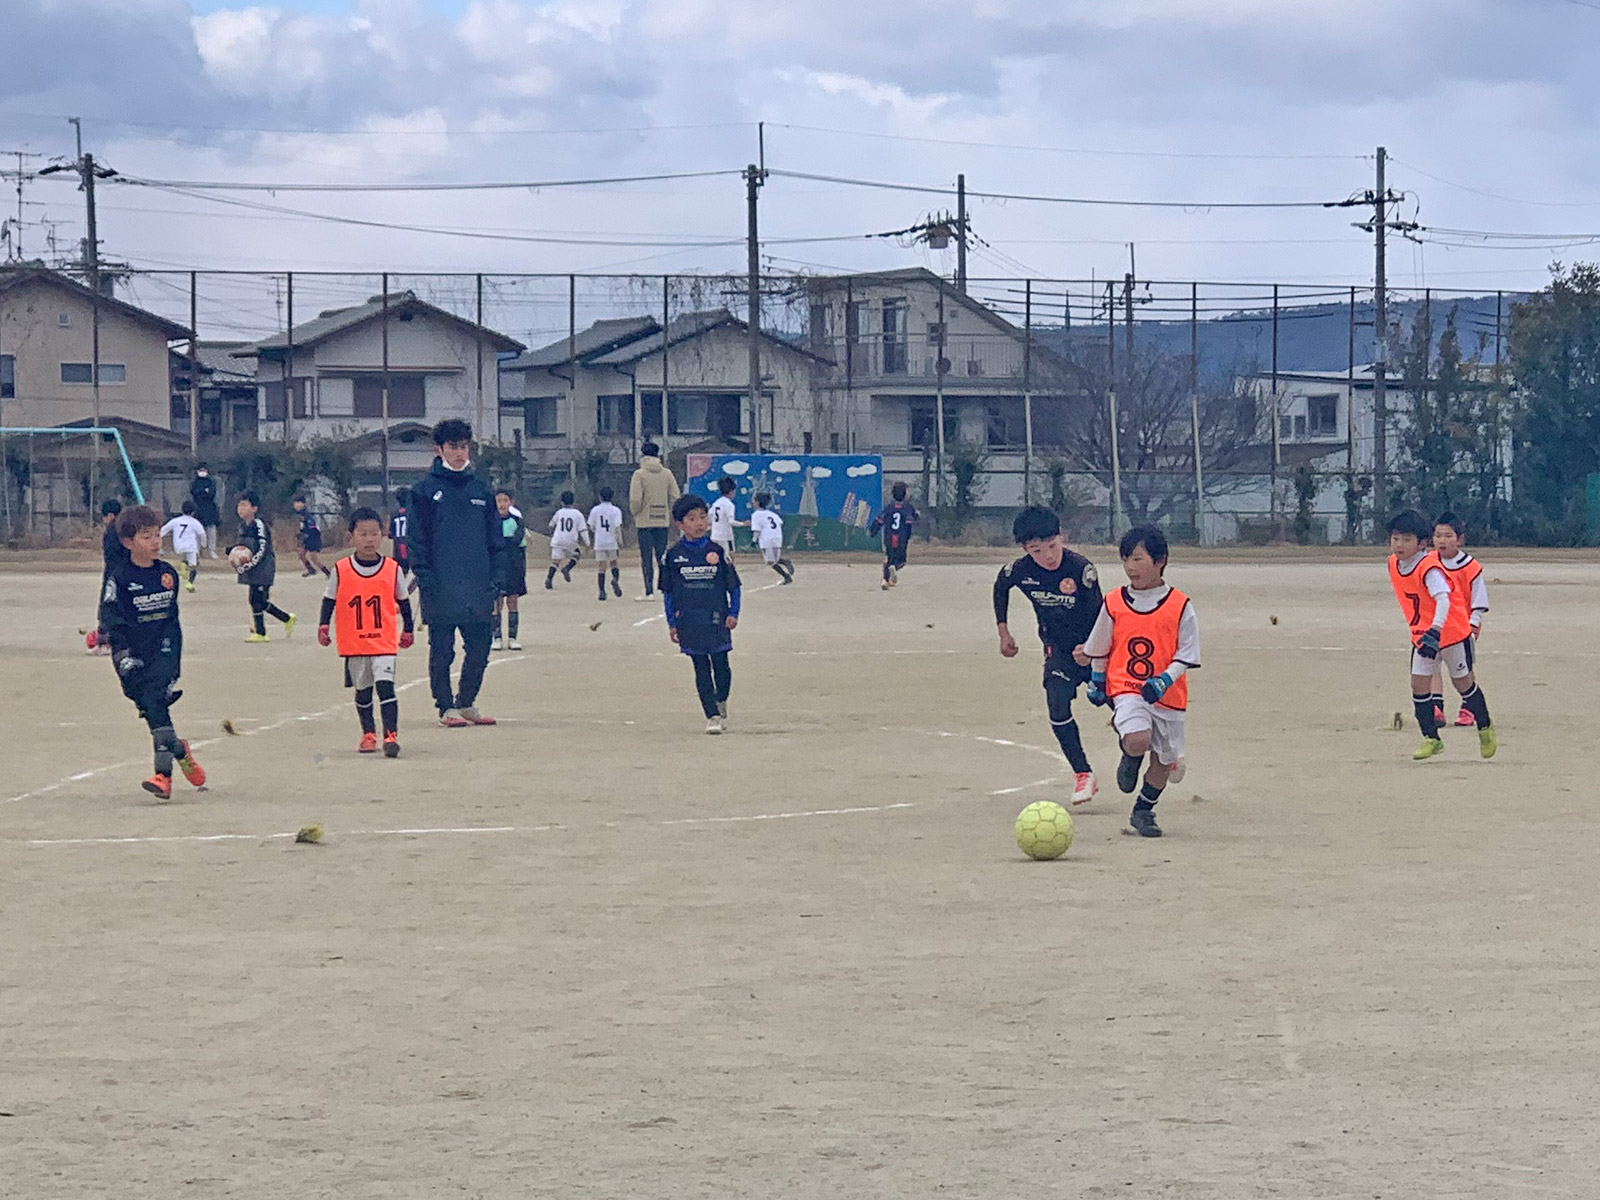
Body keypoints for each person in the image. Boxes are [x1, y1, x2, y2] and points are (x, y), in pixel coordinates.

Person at [1077, 526, 1200, 839]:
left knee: (1163, 763)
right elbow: (1102, 645)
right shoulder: (1114, 602)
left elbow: (1186, 654)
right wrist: (1097, 680)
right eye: (1125, 560)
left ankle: (1143, 810)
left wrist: (1164, 680)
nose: (1130, 567)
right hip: (1127, 687)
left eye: (1137, 558)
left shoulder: (1179, 605)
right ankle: (1130, 753)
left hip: (1168, 696)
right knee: (1138, 738)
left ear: (1160, 561)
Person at [994, 506, 1105, 806]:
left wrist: (1092, 650)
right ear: (1025, 549)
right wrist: (1004, 631)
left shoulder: (1081, 569)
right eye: (1037, 550)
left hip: (1097, 651)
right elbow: (1001, 585)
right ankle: (1083, 774)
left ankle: (1163, 750)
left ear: (1061, 537)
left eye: (1052, 546)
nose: (1047, 556)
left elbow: (1101, 616)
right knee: (1056, 703)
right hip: (1058, 651)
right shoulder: (1020, 570)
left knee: (1125, 710)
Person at [99, 505, 206, 799]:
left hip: (164, 651)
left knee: (155, 702)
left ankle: (163, 777)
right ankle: (179, 750)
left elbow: (171, 619)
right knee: (152, 709)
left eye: (157, 535)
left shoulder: (168, 574)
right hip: (131, 653)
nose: (156, 542)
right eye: (147, 537)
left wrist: (171, 654)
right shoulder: (119, 577)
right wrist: (123, 655)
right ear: (128, 542)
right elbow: (112, 619)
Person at [404, 418, 503, 729]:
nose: (460, 453)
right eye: (453, 447)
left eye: (464, 447)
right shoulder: (423, 491)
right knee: (442, 651)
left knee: (480, 648)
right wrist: (425, 577)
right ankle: (445, 706)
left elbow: (495, 538)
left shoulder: (481, 489)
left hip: (478, 584)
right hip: (440, 585)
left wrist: (497, 578)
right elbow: (415, 540)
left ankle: (467, 702)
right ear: (439, 450)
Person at [1385, 509, 1495, 761]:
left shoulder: (1428, 567)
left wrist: (1435, 630)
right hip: (1422, 635)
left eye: (1407, 539)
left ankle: (1485, 725)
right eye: (1395, 539)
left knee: (1464, 685)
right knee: (1418, 685)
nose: (1399, 545)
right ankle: (1431, 738)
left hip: (1451, 633)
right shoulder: (1393, 563)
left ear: (1422, 543)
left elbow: (1443, 599)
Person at [317, 507, 415, 758]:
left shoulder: (392, 568)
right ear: (351, 536)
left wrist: (408, 628)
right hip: (355, 641)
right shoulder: (341, 569)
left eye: (374, 533)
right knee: (363, 690)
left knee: (386, 686)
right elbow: (329, 599)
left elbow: (403, 600)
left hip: (383, 639)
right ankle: (368, 733)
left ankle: (391, 736)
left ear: (383, 535)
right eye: (363, 534)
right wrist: (323, 626)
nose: (369, 539)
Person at [659, 494, 741, 734]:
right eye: (692, 519)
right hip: (689, 621)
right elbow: (668, 593)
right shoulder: (672, 556)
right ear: (680, 524)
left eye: (703, 517)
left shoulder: (718, 551)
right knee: (701, 667)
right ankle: (712, 716)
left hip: (717, 619)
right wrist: (672, 623)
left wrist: (733, 613)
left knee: (721, 666)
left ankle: (721, 699)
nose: (699, 523)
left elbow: (734, 587)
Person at [1431, 511, 1491, 728]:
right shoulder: (1429, 563)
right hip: (1435, 624)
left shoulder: (1470, 566)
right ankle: (1436, 707)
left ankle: (1468, 706)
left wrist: (1473, 622)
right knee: (1432, 663)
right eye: (1438, 536)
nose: (1442, 541)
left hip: (1462, 626)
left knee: (1464, 667)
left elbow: (1478, 599)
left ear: (1460, 539)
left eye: (1448, 536)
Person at [233, 491, 296, 643]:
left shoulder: (258, 524)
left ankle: (261, 632)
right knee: (257, 600)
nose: (241, 509)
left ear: (254, 508)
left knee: (257, 599)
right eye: (239, 505)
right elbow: (242, 547)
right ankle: (285, 619)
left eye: (244, 505)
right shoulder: (242, 526)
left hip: (263, 567)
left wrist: (250, 564)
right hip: (252, 568)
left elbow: (262, 548)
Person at [629, 440, 681, 600]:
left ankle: (649, 591)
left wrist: (635, 513)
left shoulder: (639, 474)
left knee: (646, 558)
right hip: (662, 520)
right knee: (661, 556)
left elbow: (635, 499)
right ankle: (665, 589)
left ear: (643, 454)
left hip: (644, 522)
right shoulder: (667, 473)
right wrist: (669, 512)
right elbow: (675, 496)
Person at [86, 498, 125, 655]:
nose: (103, 520)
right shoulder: (124, 529)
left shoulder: (113, 530)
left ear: (110, 515)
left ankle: (105, 643)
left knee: (107, 608)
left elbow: (112, 556)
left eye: (104, 516)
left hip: (114, 575)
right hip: (122, 573)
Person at [493, 488, 527, 651]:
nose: (502, 504)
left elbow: (519, 545)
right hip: (495, 568)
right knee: (496, 603)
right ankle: (497, 637)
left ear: (511, 503)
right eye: (498, 501)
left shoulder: (517, 521)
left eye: (505, 501)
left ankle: (513, 638)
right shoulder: (490, 523)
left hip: (513, 566)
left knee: (512, 601)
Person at [869, 481, 919, 590]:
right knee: (901, 561)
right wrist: (909, 534)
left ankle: (885, 580)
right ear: (904, 494)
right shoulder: (908, 507)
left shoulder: (889, 507)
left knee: (890, 558)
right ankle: (894, 569)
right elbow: (912, 520)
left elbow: (879, 520)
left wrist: (873, 531)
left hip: (889, 537)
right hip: (901, 538)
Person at [160, 500, 207, 592]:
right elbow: (202, 534)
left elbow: (164, 529)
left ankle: (183, 564)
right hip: (191, 546)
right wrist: (203, 544)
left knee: (183, 557)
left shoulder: (175, 521)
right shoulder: (194, 522)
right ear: (193, 512)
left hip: (178, 545)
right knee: (194, 565)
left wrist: (158, 537)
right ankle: (190, 583)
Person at [588, 486, 625, 601]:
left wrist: (597, 532)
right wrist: (620, 541)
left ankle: (602, 591)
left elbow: (591, 526)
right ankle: (615, 579)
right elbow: (617, 527)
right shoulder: (616, 510)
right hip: (611, 541)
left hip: (600, 541)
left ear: (600, 497)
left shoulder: (595, 510)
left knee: (601, 567)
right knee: (614, 562)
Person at [546, 490, 589, 589]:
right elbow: (583, 530)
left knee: (556, 561)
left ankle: (549, 579)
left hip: (558, 539)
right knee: (577, 554)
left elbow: (551, 525)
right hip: (571, 540)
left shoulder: (559, 513)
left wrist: (551, 534)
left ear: (562, 502)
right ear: (573, 502)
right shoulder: (577, 514)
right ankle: (567, 568)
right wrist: (587, 543)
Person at [750, 493, 794, 584]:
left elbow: (757, 530)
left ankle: (786, 576)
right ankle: (785, 563)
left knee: (770, 561)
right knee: (775, 559)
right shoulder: (772, 514)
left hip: (767, 539)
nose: (753, 503)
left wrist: (754, 540)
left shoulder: (756, 515)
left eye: (754, 501)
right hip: (777, 537)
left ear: (757, 502)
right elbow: (779, 523)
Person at [292, 495, 330, 578]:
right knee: (301, 553)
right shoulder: (300, 514)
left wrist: (305, 533)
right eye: (295, 503)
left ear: (303, 504)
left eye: (298, 503)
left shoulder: (307, 514)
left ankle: (327, 572)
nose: (296, 505)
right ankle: (310, 569)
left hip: (313, 537)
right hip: (306, 537)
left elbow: (312, 527)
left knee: (314, 558)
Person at [189, 464, 221, 558]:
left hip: (210, 509)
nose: (202, 472)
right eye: (201, 470)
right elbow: (194, 493)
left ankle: (212, 550)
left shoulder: (211, 482)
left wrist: (202, 492)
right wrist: (204, 491)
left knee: (211, 530)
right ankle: (197, 550)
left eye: (204, 470)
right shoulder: (195, 482)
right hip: (198, 509)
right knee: (197, 530)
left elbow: (211, 493)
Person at [709, 476, 742, 560]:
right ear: (731, 491)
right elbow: (731, 522)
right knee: (729, 556)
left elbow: (710, 517)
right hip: (725, 536)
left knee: (716, 557)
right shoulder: (729, 504)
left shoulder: (716, 503)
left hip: (714, 535)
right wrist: (743, 524)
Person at [389, 487, 414, 591]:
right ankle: (408, 592)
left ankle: (401, 593)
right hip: (410, 548)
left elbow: (390, 534)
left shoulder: (394, 514)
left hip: (398, 549)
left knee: (400, 574)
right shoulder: (412, 513)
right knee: (417, 574)